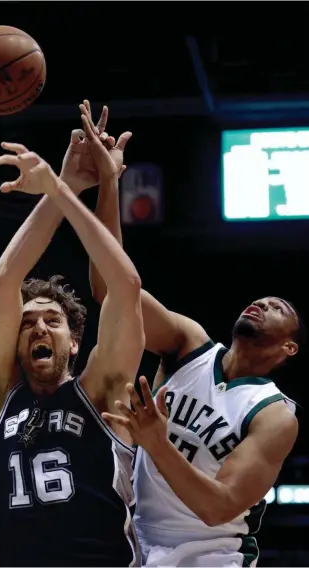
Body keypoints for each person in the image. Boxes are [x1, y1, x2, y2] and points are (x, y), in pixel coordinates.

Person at [76, 106, 304, 567]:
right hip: (137, 541)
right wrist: (109, 183)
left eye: (278, 308)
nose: (261, 304)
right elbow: (111, 289)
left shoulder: (275, 415)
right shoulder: (189, 343)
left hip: (212, 555)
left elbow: (218, 506)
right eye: (259, 299)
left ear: (288, 348)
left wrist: (157, 441)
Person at [0, 108, 144, 567]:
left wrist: (62, 188)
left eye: (52, 320)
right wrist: (63, 182)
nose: (38, 327)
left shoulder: (102, 393)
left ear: (74, 344)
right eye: (28, 323)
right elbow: (2, 282)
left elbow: (125, 286)